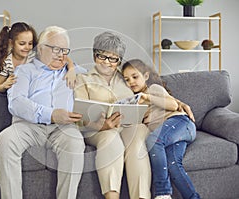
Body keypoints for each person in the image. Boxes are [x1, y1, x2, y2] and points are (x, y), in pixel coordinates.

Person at [0, 26, 86, 199]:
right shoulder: (24, 70)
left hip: (62, 129)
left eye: (65, 50)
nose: (61, 55)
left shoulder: (76, 72)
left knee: (75, 142)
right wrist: (51, 114)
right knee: (5, 141)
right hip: (28, 127)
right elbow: (17, 103)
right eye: (56, 49)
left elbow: (97, 88)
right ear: (41, 49)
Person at [74, 32, 151, 199]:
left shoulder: (127, 78)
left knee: (136, 139)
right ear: (95, 56)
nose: (107, 62)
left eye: (113, 58)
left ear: (119, 61)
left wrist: (145, 111)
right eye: (102, 56)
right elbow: (78, 117)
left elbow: (144, 95)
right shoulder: (82, 79)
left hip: (129, 126)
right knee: (110, 139)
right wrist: (101, 125)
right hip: (98, 130)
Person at [121, 59, 200, 199]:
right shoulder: (136, 101)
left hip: (180, 123)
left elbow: (173, 105)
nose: (131, 82)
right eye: (127, 79)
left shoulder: (153, 89)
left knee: (153, 140)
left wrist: (147, 97)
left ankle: (163, 193)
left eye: (135, 77)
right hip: (170, 135)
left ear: (145, 76)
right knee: (173, 164)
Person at [0, 22, 76, 93]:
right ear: (11, 43)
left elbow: (62, 56)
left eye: (30, 43)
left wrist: (71, 69)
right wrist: (5, 85)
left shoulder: (33, 54)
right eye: (22, 44)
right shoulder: (6, 63)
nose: (27, 47)